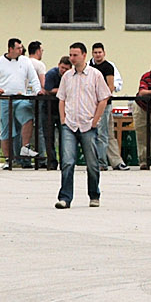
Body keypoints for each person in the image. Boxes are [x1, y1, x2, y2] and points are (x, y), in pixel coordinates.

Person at [55, 42, 110, 209]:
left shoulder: (95, 75)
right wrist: (63, 119)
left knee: (92, 163)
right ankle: (65, 197)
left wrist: (95, 120)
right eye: (70, 55)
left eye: (75, 55)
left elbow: (103, 98)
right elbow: (62, 98)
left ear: (84, 55)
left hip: (88, 124)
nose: (72, 58)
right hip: (70, 124)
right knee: (67, 161)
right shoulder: (67, 76)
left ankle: (94, 194)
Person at [0, 37, 40, 167]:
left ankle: (25, 146)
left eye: (21, 48)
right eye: (18, 48)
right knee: (6, 128)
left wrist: (38, 90)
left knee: (28, 118)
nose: (21, 50)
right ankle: (7, 159)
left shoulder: (25, 61)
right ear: (10, 49)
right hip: (5, 99)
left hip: (20, 97)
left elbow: (33, 78)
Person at [91, 43, 128, 170]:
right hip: (91, 105)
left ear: (104, 53)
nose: (98, 55)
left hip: (104, 105)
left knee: (103, 134)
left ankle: (102, 163)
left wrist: (102, 101)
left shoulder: (108, 67)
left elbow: (110, 87)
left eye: (100, 52)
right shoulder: (89, 67)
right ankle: (102, 161)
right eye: (95, 52)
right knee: (99, 134)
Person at [41, 54, 69, 169]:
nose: (64, 71)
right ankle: (52, 162)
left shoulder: (71, 76)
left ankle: (64, 162)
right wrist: (63, 90)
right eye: (62, 68)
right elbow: (48, 89)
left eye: (66, 69)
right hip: (48, 110)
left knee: (65, 137)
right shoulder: (51, 74)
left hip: (64, 111)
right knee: (49, 137)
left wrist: (57, 91)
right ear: (58, 65)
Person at [23, 40, 49, 164]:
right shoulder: (39, 65)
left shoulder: (23, 63)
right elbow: (43, 83)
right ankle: (41, 158)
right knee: (39, 128)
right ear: (38, 51)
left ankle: (24, 159)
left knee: (23, 127)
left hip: (23, 97)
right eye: (42, 50)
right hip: (36, 98)